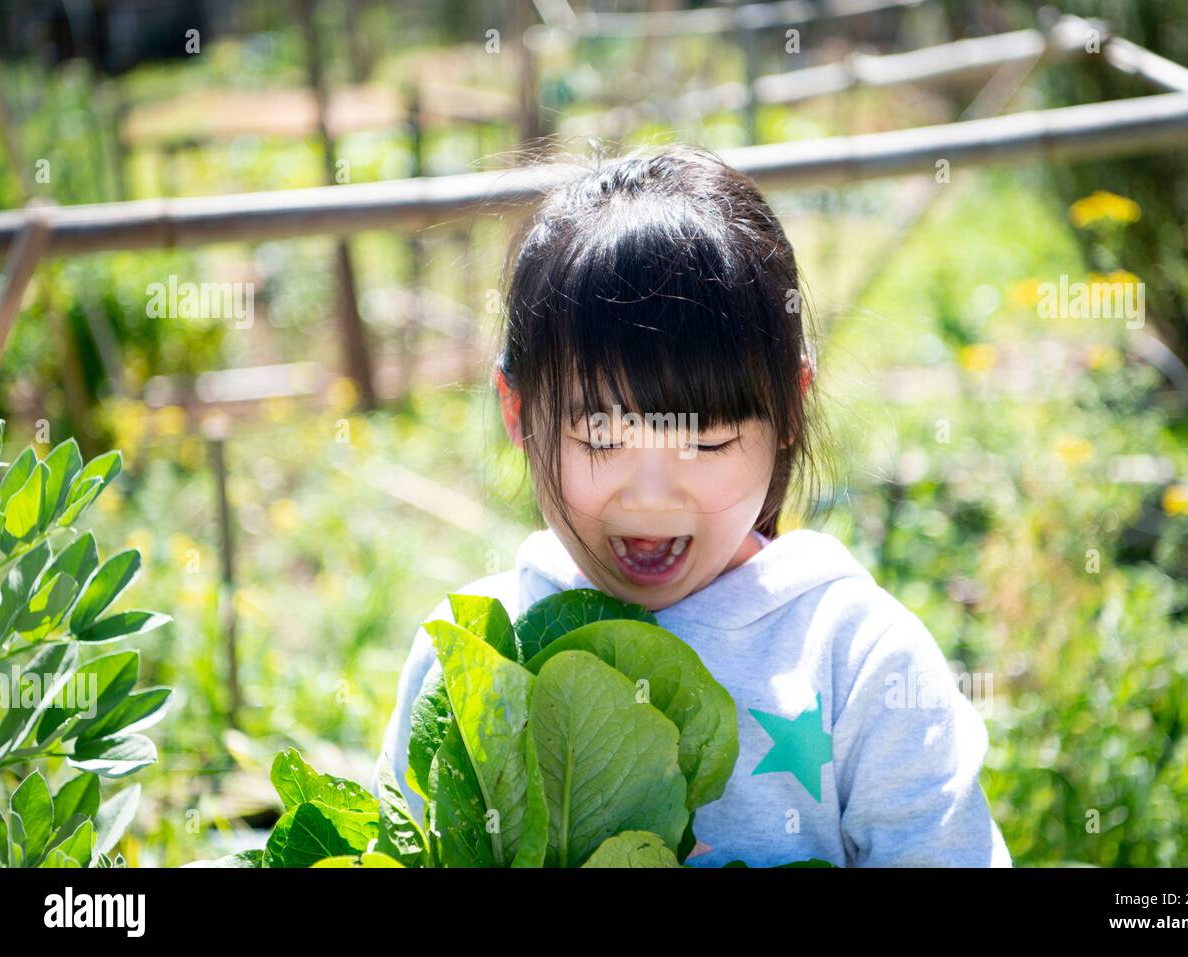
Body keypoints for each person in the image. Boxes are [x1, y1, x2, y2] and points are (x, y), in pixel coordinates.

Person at [376, 143, 1011, 867]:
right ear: (517, 411)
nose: (650, 495)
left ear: (789, 413)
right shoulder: (468, 657)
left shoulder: (858, 661)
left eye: (705, 441)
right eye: (599, 435)